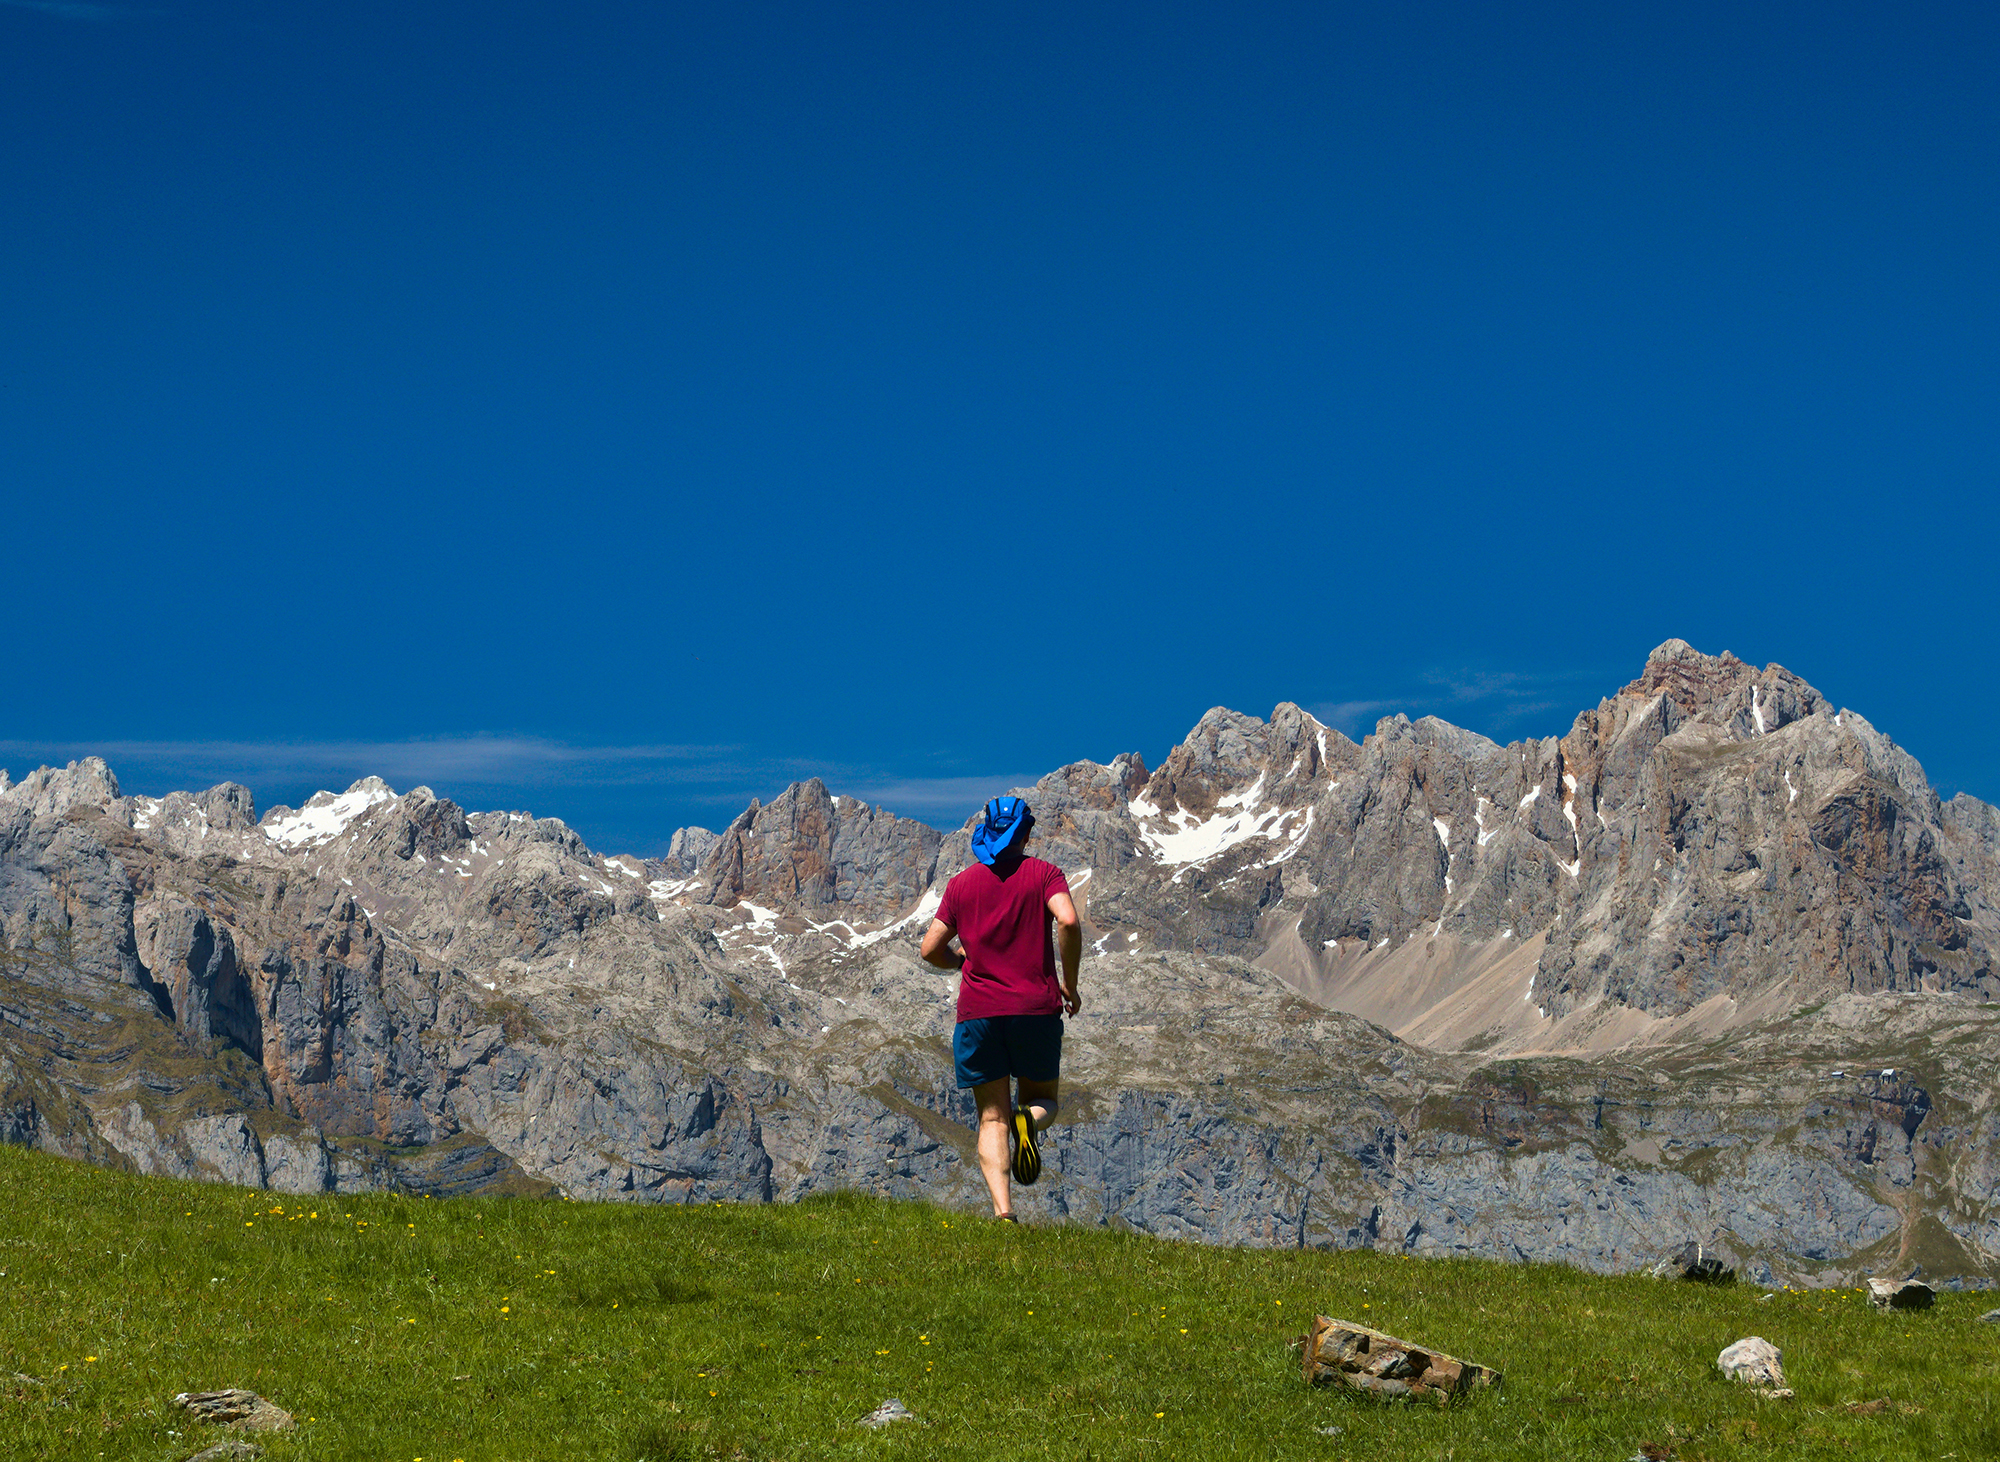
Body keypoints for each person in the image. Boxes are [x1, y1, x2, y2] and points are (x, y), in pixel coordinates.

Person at [918, 795, 1082, 1221]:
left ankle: (1004, 1215)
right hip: (1035, 1010)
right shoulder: (1044, 874)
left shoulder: (961, 885)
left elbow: (929, 948)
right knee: (1042, 1100)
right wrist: (1070, 984)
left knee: (992, 1119)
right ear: (1025, 834)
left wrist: (960, 961)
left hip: (979, 1015)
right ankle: (1029, 1120)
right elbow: (1067, 920)